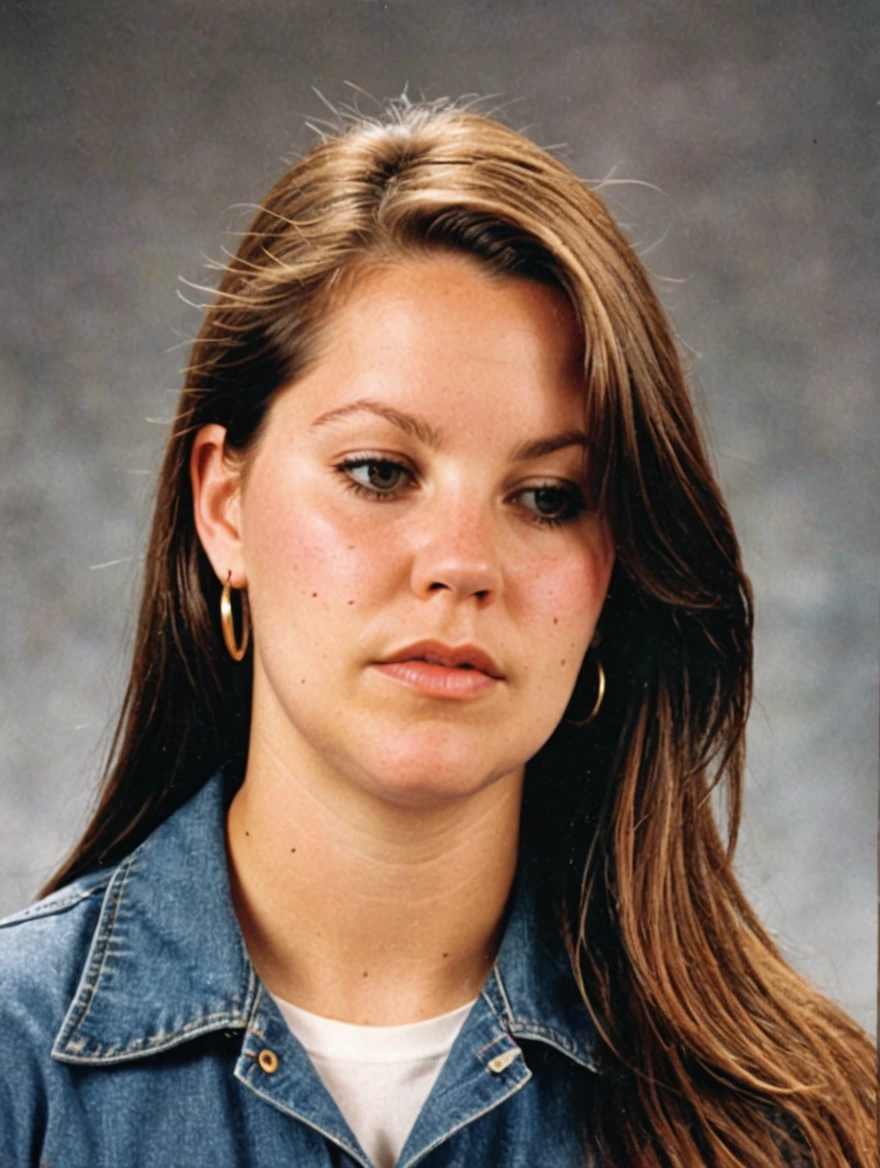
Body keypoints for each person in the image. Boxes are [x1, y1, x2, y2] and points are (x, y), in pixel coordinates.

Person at [0, 99, 874, 1167]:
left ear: (616, 570)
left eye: (549, 496)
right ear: (223, 506)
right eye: (378, 472)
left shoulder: (804, 1123)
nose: (461, 561)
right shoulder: (16, 1072)